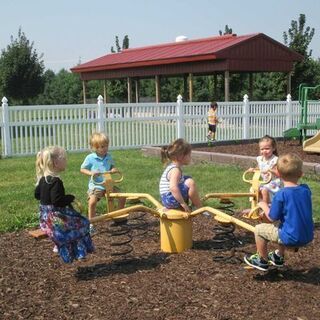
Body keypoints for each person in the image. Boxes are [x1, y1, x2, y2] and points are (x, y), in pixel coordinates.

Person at [244, 153, 314, 271]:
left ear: (278, 174)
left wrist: (263, 205)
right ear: (301, 174)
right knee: (283, 225)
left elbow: (272, 217)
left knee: (259, 229)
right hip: (307, 236)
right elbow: (290, 204)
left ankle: (262, 260)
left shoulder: (281, 194)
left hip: (291, 238)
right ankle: (278, 256)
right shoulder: (305, 190)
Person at [35, 146, 94, 263]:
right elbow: (57, 201)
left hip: (45, 218)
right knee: (83, 223)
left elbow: (37, 195)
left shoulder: (43, 180)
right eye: (64, 159)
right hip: (56, 218)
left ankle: (61, 244)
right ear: (56, 163)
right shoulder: (56, 181)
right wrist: (70, 198)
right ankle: (78, 252)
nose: (66, 161)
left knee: (75, 222)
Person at [80, 132, 126, 231]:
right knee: (92, 202)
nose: (105, 148)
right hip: (97, 185)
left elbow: (112, 166)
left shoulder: (108, 156)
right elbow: (82, 169)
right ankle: (91, 223)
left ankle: (118, 216)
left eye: (106, 146)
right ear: (94, 147)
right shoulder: (90, 158)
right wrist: (91, 173)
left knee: (122, 196)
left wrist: (113, 169)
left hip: (108, 184)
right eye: (101, 146)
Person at [159, 138, 202, 213]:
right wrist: (182, 203)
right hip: (170, 199)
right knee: (190, 182)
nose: (190, 157)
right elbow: (173, 188)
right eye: (189, 155)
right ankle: (199, 208)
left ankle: (194, 204)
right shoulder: (176, 170)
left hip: (167, 199)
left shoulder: (172, 167)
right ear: (180, 156)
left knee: (187, 178)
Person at [249, 135, 282, 204]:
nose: (264, 151)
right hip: (264, 182)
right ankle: (257, 205)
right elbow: (258, 169)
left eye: (267, 149)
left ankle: (266, 207)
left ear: (273, 148)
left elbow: (280, 174)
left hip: (273, 183)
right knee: (254, 189)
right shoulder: (260, 159)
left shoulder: (275, 160)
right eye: (262, 149)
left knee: (264, 190)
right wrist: (253, 170)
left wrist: (271, 170)